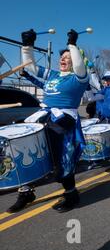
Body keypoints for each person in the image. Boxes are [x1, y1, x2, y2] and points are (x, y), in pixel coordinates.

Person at [7, 29, 89, 213]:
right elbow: (30, 67)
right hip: (43, 114)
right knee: (21, 143)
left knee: (61, 156)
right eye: (62, 56)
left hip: (64, 119)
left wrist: (73, 45)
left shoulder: (80, 78)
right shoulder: (52, 75)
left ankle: (71, 194)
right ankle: (26, 191)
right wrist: (27, 46)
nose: (64, 58)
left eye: (68, 56)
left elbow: (79, 65)